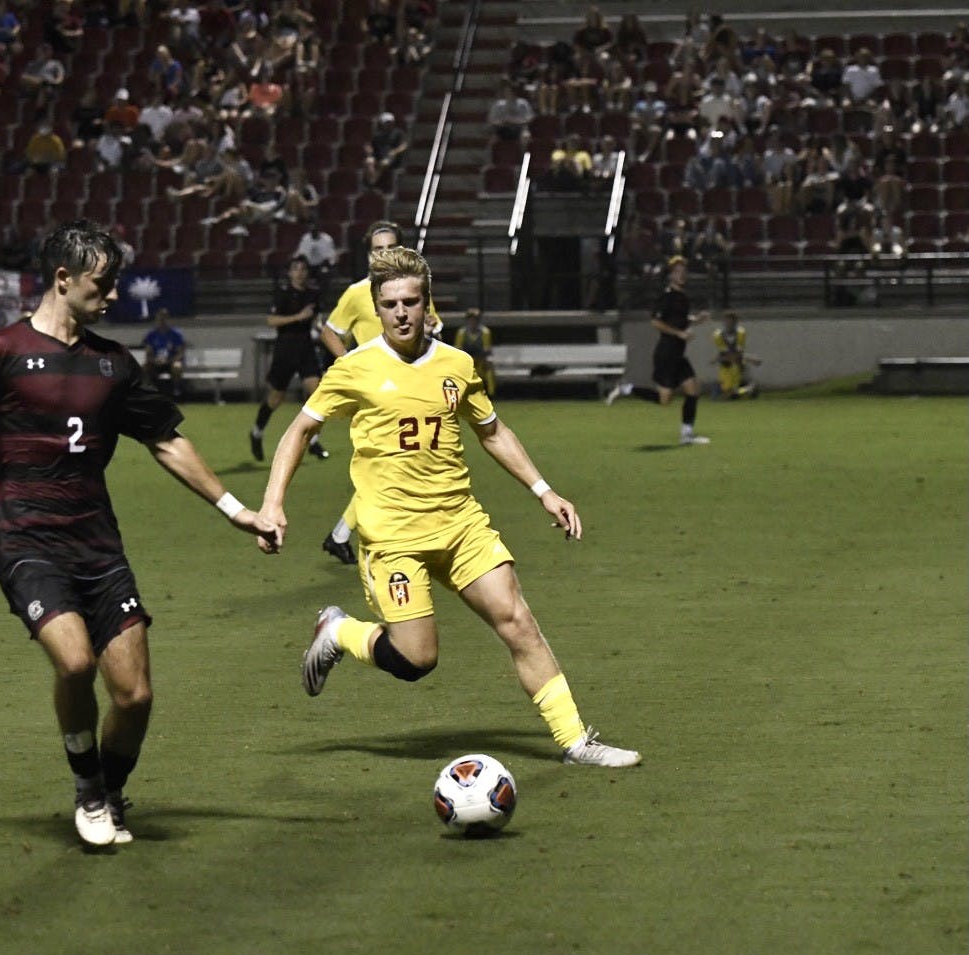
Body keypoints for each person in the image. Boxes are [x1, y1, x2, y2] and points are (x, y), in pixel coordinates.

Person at [0, 219, 281, 847]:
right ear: (63, 279)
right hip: (26, 542)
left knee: (135, 697)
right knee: (74, 662)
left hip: (99, 547)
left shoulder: (113, 364)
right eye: (104, 283)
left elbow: (167, 441)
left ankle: (112, 792)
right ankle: (88, 790)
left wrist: (238, 510)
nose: (115, 294)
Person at [256, 246, 639, 768]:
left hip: (461, 526)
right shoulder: (354, 368)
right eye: (389, 304)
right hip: (393, 537)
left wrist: (544, 491)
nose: (401, 313)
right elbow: (300, 430)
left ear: (427, 303)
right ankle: (340, 631)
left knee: (518, 621)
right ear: (377, 306)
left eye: (411, 302)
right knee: (417, 659)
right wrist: (273, 503)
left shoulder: (457, 364)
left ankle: (575, 742)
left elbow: (492, 431)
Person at [316, 220, 442, 565]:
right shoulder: (358, 292)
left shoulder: (413, 287)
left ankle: (342, 535)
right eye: (377, 249)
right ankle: (356, 537)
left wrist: (432, 327)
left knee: (392, 465)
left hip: (412, 387)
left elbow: (433, 322)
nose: (383, 255)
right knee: (390, 465)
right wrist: (350, 363)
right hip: (375, 391)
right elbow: (329, 331)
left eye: (390, 248)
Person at [605, 256, 711, 445]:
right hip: (667, 354)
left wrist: (696, 320)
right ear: (671, 275)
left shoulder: (682, 296)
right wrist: (679, 334)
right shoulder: (667, 296)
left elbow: (679, 319)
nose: (681, 275)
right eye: (677, 271)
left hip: (678, 354)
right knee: (665, 400)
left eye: (683, 271)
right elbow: (656, 321)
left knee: (693, 390)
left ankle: (686, 435)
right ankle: (626, 389)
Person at [249, 256, 329, 464]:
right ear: (290, 272)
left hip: (306, 348)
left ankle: (313, 440)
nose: (300, 273)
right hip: (285, 349)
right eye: (296, 269)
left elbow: (316, 320)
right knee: (276, 398)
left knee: (316, 391)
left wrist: (323, 330)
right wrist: (298, 317)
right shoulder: (282, 294)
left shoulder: (313, 294)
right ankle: (257, 432)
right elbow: (271, 320)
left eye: (303, 269)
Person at [711, 311, 760, 400]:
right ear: (724, 322)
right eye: (727, 321)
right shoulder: (718, 335)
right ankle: (747, 390)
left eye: (732, 321)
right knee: (727, 394)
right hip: (726, 366)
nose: (729, 324)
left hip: (737, 366)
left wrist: (745, 358)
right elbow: (728, 354)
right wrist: (749, 358)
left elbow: (738, 353)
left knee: (728, 394)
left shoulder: (741, 333)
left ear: (736, 322)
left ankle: (743, 390)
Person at [141, 308, 185, 399]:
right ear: (156, 320)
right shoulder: (151, 335)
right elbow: (148, 353)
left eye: (164, 319)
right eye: (160, 319)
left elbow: (180, 353)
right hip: (156, 362)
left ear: (168, 320)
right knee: (145, 367)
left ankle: (177, 391)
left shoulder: (175, 334)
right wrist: (154, 360)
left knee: (177, 366)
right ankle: (149, 392)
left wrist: (169, 360)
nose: (162, 322)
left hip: (170, 362)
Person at [453, 307, 495, 397]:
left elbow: (487, 349)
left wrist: (478, 352)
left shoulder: (485, 332)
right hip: (466, 362)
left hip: (480, 361)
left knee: (489, 366)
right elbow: (458, 349)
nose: (473, 322)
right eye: (470, 319)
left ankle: (491, 394)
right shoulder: (462, 333)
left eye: (475, 319)